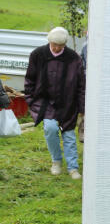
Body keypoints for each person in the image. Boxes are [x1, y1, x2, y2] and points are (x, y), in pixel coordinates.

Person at [23, 26, 86, 179]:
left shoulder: (74, 58)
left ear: (65, 44)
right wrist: (30, 100)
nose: (57, 48)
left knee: (69, 135)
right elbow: (30, 79)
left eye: (61, 45)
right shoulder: (38, 54)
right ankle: (56, 161)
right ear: (49, 41)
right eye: (54, 45)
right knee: (50, 129)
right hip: (45, 102)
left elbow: (81, 85)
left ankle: (73, 168)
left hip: (68, 102)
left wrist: (82, 107)